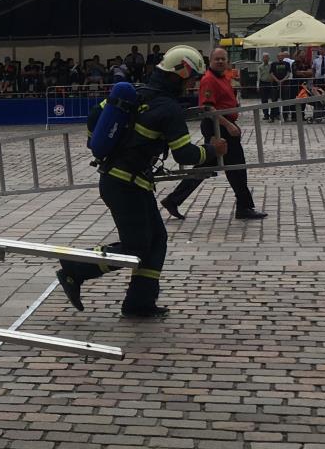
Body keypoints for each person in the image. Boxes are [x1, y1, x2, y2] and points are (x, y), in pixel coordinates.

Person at [55, 46, 224, 319]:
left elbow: (94, 118)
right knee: (135, 246)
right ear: (179, 73)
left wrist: (96, 143)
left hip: (128, 182)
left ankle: (139, 303)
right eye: (190, 79)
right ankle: (75, 268)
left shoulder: (136, 94)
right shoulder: (167, 107)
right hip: (125, 185)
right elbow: (185, 154)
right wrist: (213, 150)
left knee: (156, 240)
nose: (191, 84)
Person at [161, 45, 265, 222]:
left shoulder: (223, 77)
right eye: (217, 59)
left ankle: (173, 200)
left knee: (208, 167)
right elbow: (208, 108)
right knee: (237, 166)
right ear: (211, 61)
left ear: (227, 61)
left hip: (224, 124)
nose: (220, 61)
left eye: (223, 59)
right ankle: (244, 207)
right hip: (217, 126)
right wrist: (228, 126)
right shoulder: (209, 79)